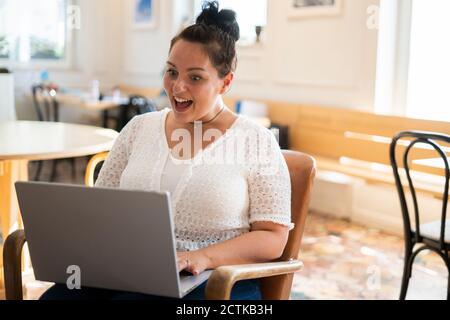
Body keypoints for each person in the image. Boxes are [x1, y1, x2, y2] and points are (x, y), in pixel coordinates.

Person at [40, 1, 292, 300]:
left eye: (195, 77)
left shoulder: (256, 141)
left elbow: (273, 238)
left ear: (225, 83)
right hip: (130, 269)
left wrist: (202, 257)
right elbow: (101, 206)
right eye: (172, 72)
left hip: (215, 281)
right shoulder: (138, 128)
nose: (177, 87)